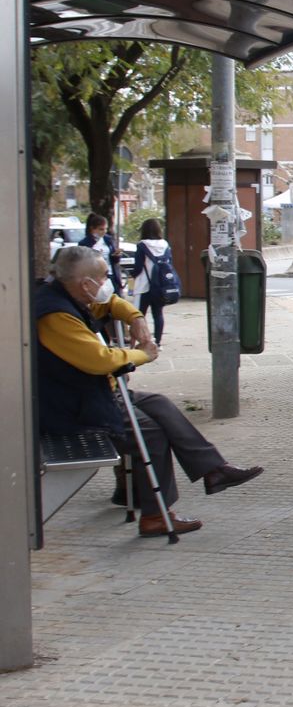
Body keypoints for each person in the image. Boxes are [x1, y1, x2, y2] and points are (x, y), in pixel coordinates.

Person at [37, 246, 263, 537]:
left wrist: (136, 318)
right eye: (104, 276)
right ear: (85, 283)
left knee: (158, 403)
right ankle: (156, 515)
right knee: (150, 432)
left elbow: (111, 303)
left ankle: (214, 469)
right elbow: (100, 361)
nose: (109, 283)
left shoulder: (68, 294)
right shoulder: (56, 315)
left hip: (86, 393)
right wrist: (144, 354)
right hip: (70, 406)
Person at [128, 217, 171, 345]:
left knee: (139, 315)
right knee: (158, 314)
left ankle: (139, 340)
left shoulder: (142, 245)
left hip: (144, 285)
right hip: (160, 286)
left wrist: (132, 275)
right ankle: (157, 341)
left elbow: (138, 267)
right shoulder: (165, 244)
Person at [76, 212, 124, 297]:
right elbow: (83, 262)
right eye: (101, 229)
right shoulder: (85, 243)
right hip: (96, 277)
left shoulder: (108, 240)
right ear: (93, 229)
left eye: (105, 229)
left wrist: (116, 255)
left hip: (110, 274)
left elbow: (114, 260)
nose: (104, 232)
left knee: (115, 300)